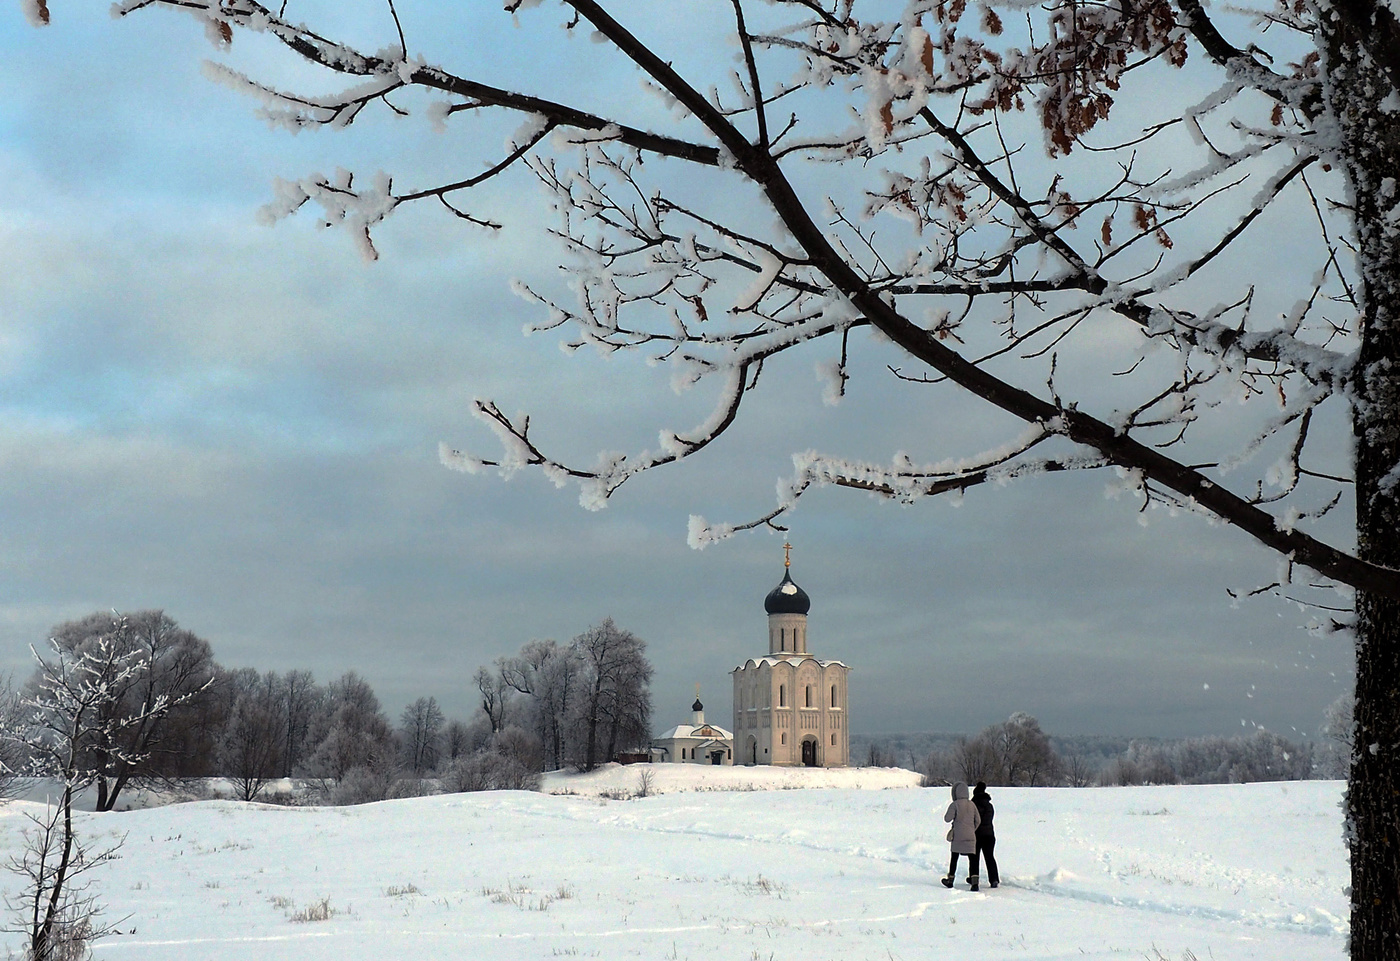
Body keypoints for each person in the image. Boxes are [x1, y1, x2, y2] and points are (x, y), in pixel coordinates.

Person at [942, 780, 981, 890]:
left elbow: (947, 819)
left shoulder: (955, 804)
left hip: (958, 836)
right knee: (973, 860)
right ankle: (975, 883)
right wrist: (972, 829)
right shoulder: (972, 804)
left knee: (954, 858)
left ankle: (950, 880)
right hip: (971, 836)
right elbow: (978, 820)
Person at [972, 781, 999, 889]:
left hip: (976, 835)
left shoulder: (973, 805)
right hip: (989, 835)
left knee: (974, 858)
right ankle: (994, 879)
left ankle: (974, 879)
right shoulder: (989, 806)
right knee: (989, 857)